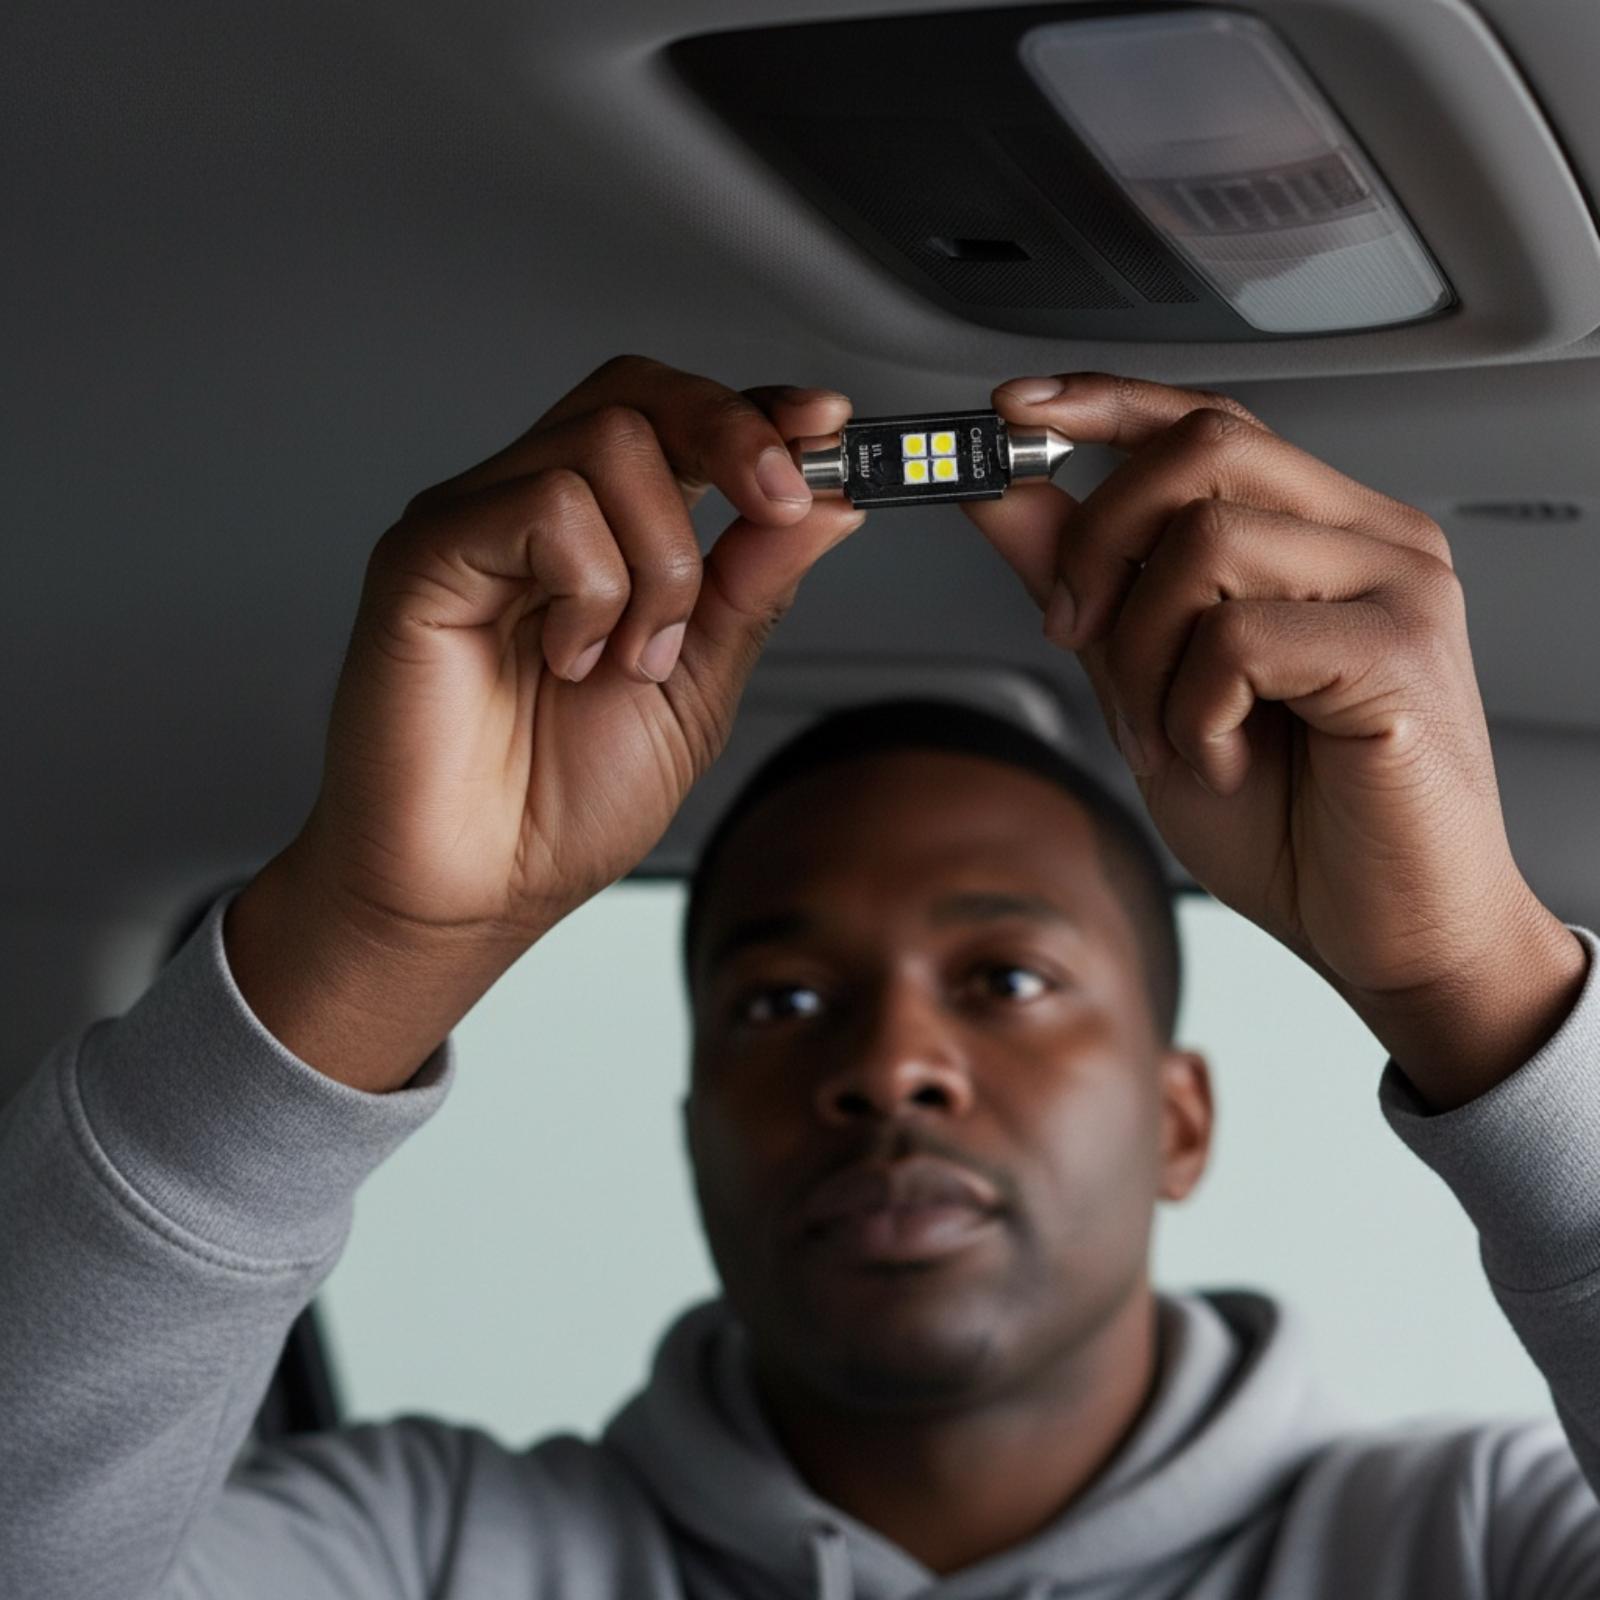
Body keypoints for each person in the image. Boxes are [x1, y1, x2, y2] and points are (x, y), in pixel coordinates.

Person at [1, 354, 1596, 1598]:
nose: (889, 1067)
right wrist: (373, 939)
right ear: (696, 1133)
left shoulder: (1480, 1546)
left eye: (1008, 982)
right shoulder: (418, 1555)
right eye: (779, 1004)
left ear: (1180, 1121)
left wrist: (1472, 978)